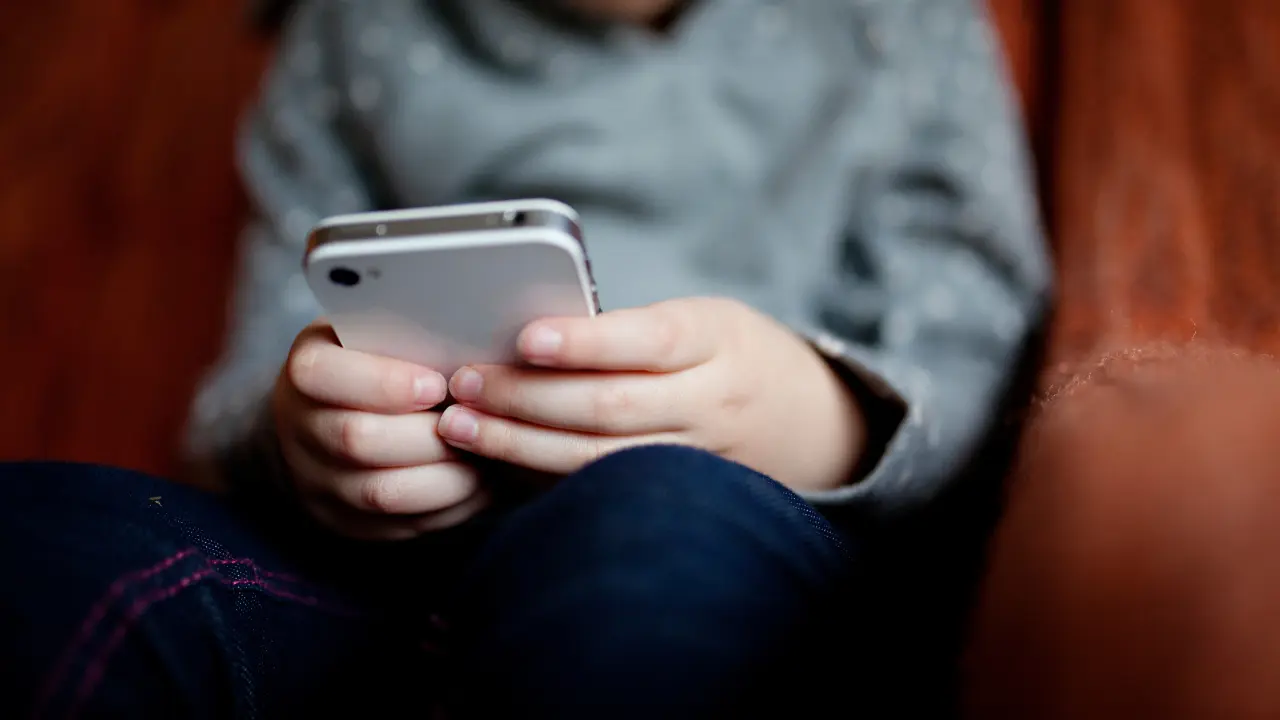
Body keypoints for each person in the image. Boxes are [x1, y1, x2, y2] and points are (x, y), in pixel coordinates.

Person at [0, 0, 1050, 717]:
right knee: (43, 539)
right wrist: (305, 435)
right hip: (372, 590)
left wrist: (819, 414)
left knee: (655, 529)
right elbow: (251, 376)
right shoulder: (354, 26)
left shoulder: (900, 23)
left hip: (723, 548)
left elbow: (978, 342)